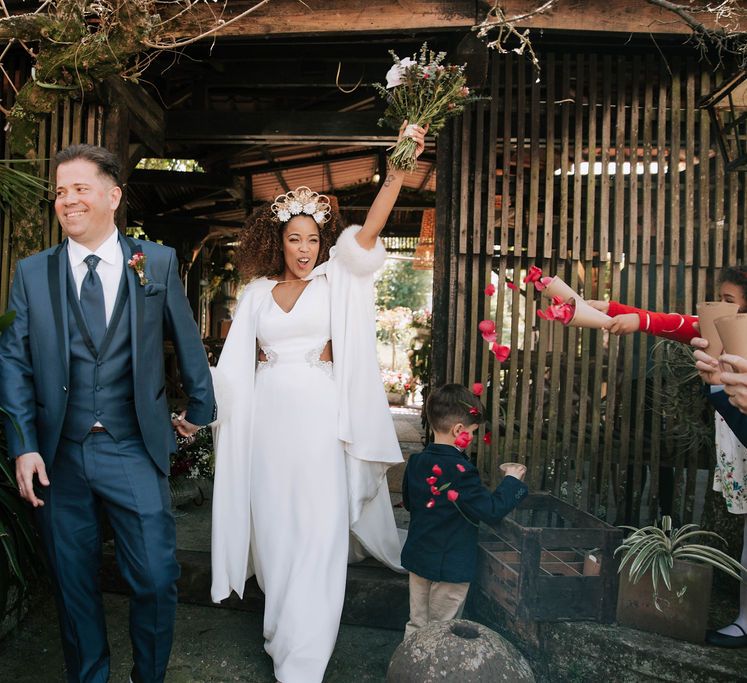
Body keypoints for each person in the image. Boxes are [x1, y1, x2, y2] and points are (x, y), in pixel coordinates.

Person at [210, 122, 428, 683]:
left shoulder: (338, 284)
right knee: (278, 532)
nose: (305, 250)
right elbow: (232, 371)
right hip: (267, 429)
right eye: (294, 240)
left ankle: (304, 660)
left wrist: (396, 174)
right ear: (276, 242)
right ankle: (281, 632)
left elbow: (367, 237)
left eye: (313, 240)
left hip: (321, 425)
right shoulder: (256, 295)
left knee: (319, 533)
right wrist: (202, 410)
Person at [0, 144, 215, 683]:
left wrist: (201, 405)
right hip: (58, 454)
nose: (67, 200)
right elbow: (14, 362)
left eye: (79, 188)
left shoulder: (156, 261)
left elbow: (185, 339)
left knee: (156, 576)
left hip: (131, 446)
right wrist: (24, 444)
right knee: (72, 584)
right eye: (60, 191)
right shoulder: (32, 273)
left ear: (113, 196)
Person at [592, 266, 747, 648]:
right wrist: (613, 310)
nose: (715, 308)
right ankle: (745, 620)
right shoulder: (721, 328)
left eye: (727, 301)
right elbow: (678, 323)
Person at [400, 383, 528, 637]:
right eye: (471, 432)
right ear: (459, 429)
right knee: (443, 630)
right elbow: (491, 510)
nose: (471, 438)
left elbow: (409, 502)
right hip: (451, 566)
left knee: (417, 623)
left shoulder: (416, 462)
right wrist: (513, 481)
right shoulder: (462, 471)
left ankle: (407, 669)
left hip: (419, 556)